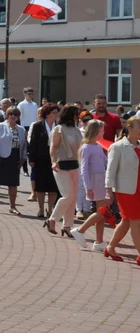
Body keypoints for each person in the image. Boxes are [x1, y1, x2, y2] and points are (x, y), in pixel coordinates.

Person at [71, 120, 111, 251]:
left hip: (101, 178)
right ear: (95, 131)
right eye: (102, 130)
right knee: (102, 210)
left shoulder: (98, 146)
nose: (103, 132)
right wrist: (88, 187)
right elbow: (84, 169)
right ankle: (80, 230)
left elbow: (106, 161)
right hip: (95, 180)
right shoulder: (86, 147)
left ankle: (99, 241)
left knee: (101, 210)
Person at [103, 118, 140, 262]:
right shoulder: (117, 146)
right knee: (136, 221)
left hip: (138, 189)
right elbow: (110, 171)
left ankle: (110, 247)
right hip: (125, 191)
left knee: (126, 221)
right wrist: (108, 191)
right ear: (129, 127)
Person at [48, 104, 83, 238]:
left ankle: (67, 226)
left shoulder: (76, 130)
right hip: (60, 165)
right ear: (70, 115)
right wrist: (53, 161)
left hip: (75, 165)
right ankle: (52, 219)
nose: (77, 117)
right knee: (67, 195)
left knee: (73, 197)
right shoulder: (59, 129)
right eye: (76, 114)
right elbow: (53, 147)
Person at [0, 107, 27, 214]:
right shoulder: (0, 126)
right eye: (11, 114)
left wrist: (23, 158)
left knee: (13, 184)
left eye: (15, 115)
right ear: (7, 116)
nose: (13, 117)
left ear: (18, 117)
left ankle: (12, 206)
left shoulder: (21, 129)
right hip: (1, 157)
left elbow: (24, 145)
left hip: (15, 157)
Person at [28, 104, 60, 219]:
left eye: (57, 112)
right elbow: (33, 143)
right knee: (40, 186)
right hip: (40, 159)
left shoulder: (59, 127)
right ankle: (41, 208)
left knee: (53, 186)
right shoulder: (38, 126)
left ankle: (50, 209)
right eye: (54, 112)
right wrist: (31, 158)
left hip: (55, 160)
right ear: (47, 114)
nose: (56, 115)